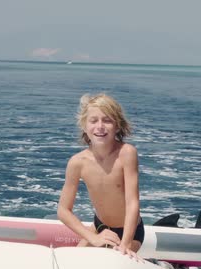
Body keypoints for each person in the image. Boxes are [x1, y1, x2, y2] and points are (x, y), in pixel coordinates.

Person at [57, 93, 144, 259]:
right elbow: (63, 210)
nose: (100, 126)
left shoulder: (126, 154)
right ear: (84, 125)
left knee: (113, 261)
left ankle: (159, 264)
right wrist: (93, 238)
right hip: (99, 227)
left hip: (129, 232)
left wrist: (125, 244)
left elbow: (133, 203)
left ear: (117, 126)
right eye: (93, 120)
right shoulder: (77, 162)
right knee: (73, 261)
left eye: (107, 120)